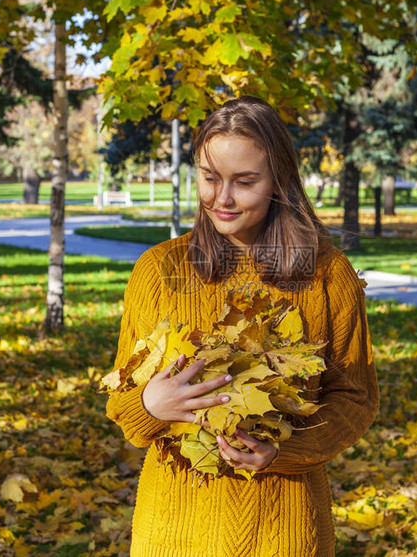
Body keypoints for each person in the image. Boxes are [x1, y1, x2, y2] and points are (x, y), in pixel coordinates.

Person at [106, 96, 378, 557]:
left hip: (285, 530)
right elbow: (121, 398)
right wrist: (149, 404)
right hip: (174, 531)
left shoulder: (328, 276)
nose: (222, 198)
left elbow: (355, 397)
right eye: (210, 178)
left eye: (245, 181)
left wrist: (285, 451)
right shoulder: (159, 270)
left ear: (280, 181)